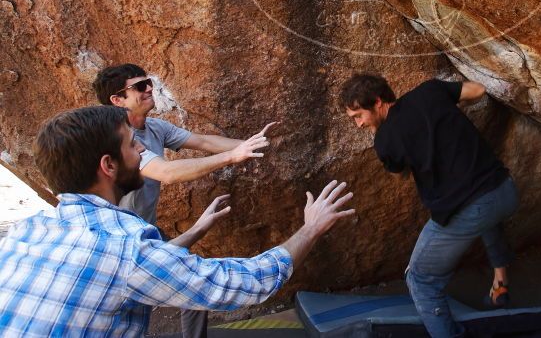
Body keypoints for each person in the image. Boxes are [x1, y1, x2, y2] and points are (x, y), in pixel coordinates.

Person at [0, 105, 354, 337]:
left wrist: (197, 229)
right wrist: (311, 227)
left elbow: (120, 270)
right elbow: (244, 284)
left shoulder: (24, 232)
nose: (141, 151)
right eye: (131, 146)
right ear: (108, 166)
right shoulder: (126, 247)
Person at [92, 63, 274, 337]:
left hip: (144, 232)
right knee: (121, 311)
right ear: (117, 100)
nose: (149, 88)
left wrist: (249, 143)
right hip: (115, 241)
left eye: (149, 82)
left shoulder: (155, 128)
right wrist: (232, 156)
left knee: (194, 283)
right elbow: (166, 173)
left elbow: (202, 141)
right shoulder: (118, 140)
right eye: (140, 86)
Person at [341, 74, 518, 338]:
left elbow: (399, 174)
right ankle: (500, 280)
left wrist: (384, 134)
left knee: (420, 280)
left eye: (358, 116)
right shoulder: (430, 91)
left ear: (378, 102)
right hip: (505, 192)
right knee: (485, 214)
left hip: (468, 210)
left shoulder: (385, 141)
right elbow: (478, 90)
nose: (357, 124)